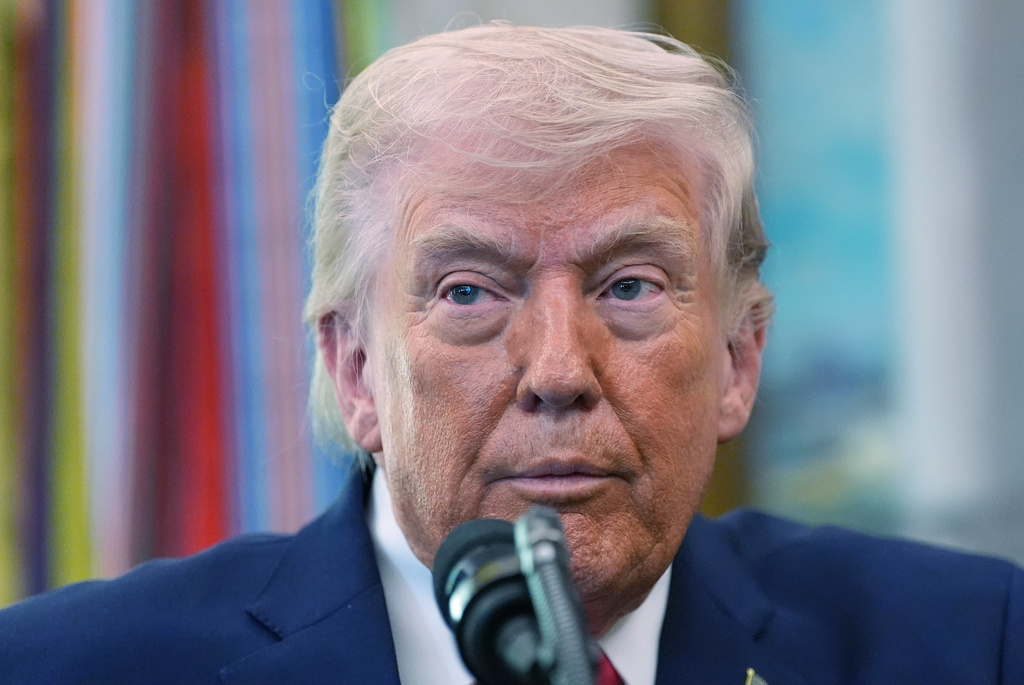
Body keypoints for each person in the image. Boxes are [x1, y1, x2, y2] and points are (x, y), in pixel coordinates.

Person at [1, 22, 1021, 685]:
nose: (557, 372)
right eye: (469, 293)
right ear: (356, 370)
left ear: (738, 359)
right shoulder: (64, 667)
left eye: (628, 287)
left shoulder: (968, 644)